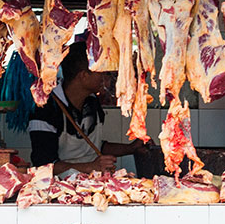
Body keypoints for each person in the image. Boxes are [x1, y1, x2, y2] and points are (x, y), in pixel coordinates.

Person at [29, 41, 146, 175]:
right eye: (101, 71)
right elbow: (43, 166)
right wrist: (90, 166)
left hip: (91, 182)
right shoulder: (46, 109)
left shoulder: (92, 101)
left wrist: (131, 148)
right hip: (59, 184)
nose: (105, 77)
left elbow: (93, 146)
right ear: (84, 76)